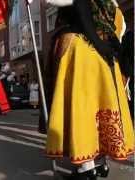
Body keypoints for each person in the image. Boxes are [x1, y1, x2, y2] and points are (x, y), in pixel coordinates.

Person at [45, 0, 134, 179]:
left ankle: (86, 168)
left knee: (84, 108)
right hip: (106, 57)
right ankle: (101, 163)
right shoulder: (112, 5)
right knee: (102, 106)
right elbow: (120, 29)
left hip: (81, 50)